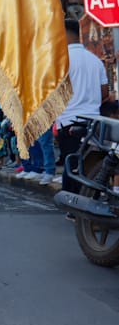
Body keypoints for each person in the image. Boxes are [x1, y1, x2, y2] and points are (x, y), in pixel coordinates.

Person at [57, 19, 109, 194]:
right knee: (90, 165)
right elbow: (104, 93)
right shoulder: (95, 61)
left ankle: (73, 207)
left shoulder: (61, 61)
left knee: (71, 164)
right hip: (94, 122)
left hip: (69, 121)